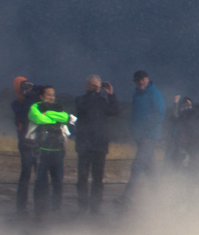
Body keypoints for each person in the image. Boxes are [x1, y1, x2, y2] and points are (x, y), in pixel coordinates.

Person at [73, 75, 118, 212]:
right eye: (93, 85)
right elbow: (85, 109)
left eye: (97, 85)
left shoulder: (103, 102)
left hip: (99, 145)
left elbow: (115, 111)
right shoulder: (80, 100)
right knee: (82, 178)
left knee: (98, 179)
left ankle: (95, 208)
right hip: (84, 145)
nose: (96, 87)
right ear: (87, 86)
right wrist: (94, 93)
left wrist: (111, 95)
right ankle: (82, 207)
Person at [28, 86, 74, 216]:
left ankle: (56, 210)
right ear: (42, 96)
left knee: (58, 182)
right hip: (42, 152)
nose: (51, 97)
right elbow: (37, 118)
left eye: (53, 95)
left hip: (57, 151)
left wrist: (47, 114)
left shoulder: (58, 108)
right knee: (40, 183)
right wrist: (55, 118)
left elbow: (66, 118)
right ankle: (40, 211)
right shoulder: (35, 107)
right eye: (48, 95)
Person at [126, 69, 166, 195]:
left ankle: (127, 198)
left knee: (137, 166)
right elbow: (134, 114)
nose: (140, 83)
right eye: (137, 81)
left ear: (146, 79)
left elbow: (160, 113)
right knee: (150, 168)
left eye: (142, 80)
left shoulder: (154, 93)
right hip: (140, 136)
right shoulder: (136, 95)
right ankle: (158, 196)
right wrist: (133, 129)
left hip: (150, 136)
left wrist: (145, 123)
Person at [11, 76, 39, 214]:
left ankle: (39, 204)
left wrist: (33, 88)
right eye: (22, 86)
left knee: (40, 175)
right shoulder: (16, 104)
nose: (25, 89)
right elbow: (26, 112)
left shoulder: (32, 99)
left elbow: (46, 89)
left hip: (37, 142)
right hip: (25, 144)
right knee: (26, 173)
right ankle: (21, 206)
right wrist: (29, 95)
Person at [167, 96, 199, 171]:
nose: (188, 109)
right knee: (197, 167)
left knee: (190, 167)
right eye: (185, 106)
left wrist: (183, 150)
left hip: (193, 146)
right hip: (198, 147)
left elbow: (181, 135)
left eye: (189, 106)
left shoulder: (184, 118)